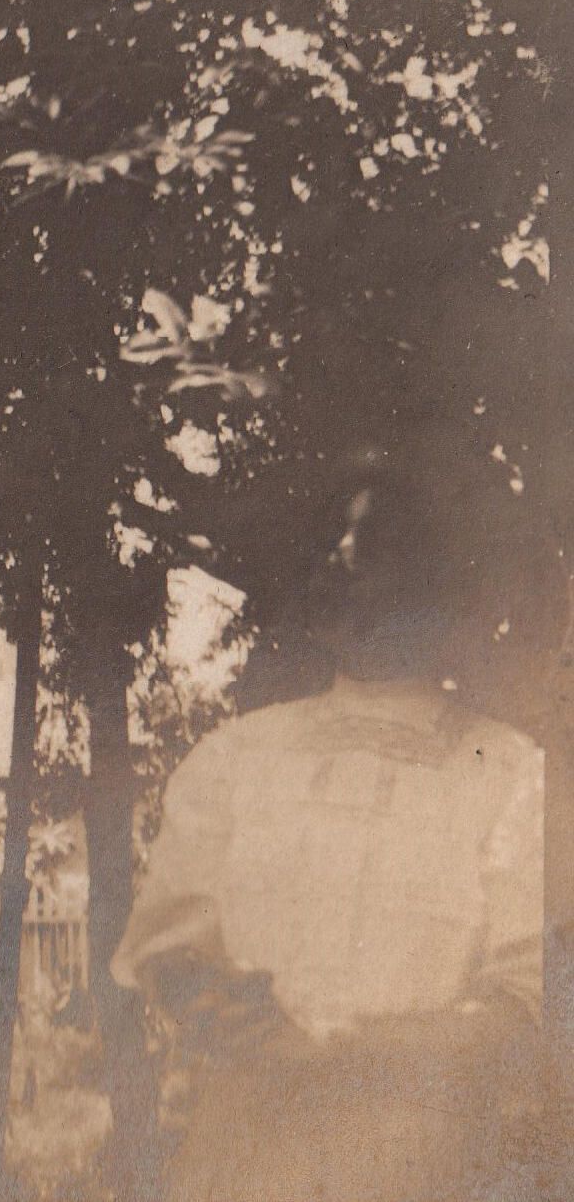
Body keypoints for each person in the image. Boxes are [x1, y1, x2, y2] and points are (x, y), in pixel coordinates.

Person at [113, 479, 548, 1202]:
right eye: (331, 545)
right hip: (243, 1156)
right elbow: (170, 948)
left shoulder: (510, 773)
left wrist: (338, 1044)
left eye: (371, 545)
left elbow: (526, 1003)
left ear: (439, 582)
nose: (339, 561)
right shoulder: (237, 756)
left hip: (419, 1164)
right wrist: (210, 995)